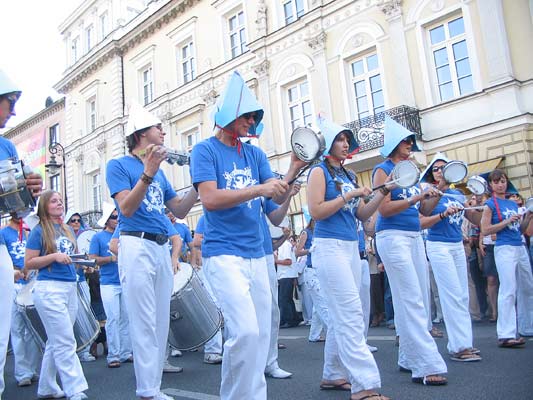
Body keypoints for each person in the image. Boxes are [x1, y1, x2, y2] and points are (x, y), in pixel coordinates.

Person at [190, 71, 306, 400]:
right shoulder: (204, 150)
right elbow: (210, 200)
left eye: (255, 116)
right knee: (244, 332)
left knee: (258, 334)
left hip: (257, 253)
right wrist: (260, 187)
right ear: (229, 114)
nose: (252, 121)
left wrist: (292, 172)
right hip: (225, 253)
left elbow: (274, 210)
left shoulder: (255, 154)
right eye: (248, 115)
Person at [106, 100, 197, 400]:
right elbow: (127, 208)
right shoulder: (118, 165)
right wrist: (147, 173)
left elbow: (180, 210)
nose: (163, 132)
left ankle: (152, 387)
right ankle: (147, 390)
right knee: (143, 319)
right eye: (158, 127)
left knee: (159, 321)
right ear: (141, 134)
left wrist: (200, 180)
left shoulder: (161, 172)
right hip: (136, 243)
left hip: (159, 246)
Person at [307, 115, 392, 400]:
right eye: (340, 139)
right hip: (328, 247)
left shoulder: (349, 175)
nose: (345, 144)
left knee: (344, 315)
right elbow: (316, 212)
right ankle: (364, 385)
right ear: (327, 144)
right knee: (351, 314)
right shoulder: (319, 172)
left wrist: (383, 194)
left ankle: (332, 374)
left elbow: (362, 214)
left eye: (347, 140)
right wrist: (350, 195)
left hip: (349, 247)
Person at [372, 116, 447, 386]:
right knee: (412, 299)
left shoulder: (412, 169)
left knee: (418, 300)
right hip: (392, 237)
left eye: (410, 142)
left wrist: (430, 199)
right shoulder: (383, 170)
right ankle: (426, 364)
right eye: (405, 142)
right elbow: (384, 209)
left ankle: (407, 356)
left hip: (414, 236)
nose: (410, 146)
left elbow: (421, 212)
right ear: (394, 144)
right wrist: (416, 198)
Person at [0, 69, 43, 399]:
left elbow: (18, 210)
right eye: (9, 103)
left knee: (2, 332)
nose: (13, 112)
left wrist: (29, 190)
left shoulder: (7, 147)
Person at [24, 190, 89, 400]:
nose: (59, 204)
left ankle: (46, 387)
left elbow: (70, 257)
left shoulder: (67, 228)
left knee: (56, 340)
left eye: (60, 201)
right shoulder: (39, 230)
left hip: (70, 286)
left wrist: (84, 263)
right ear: (44, 206)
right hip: (50, 288)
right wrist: (54, 256)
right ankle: (75, 389)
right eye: (54, 201)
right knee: (65, 341)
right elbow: (29, 263)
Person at [419, 153, 482, 362]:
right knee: (452, 294)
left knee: (462, 294)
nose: (440, 171)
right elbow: (423, 216)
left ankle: (465, 342)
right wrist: (441, 191)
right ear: (431, 173)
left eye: (444, 168)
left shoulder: (458, 195)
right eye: (436, 169)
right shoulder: (427, 191)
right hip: (438, 245)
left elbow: (475, 219)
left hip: (456, 245)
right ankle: (458, 346)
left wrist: (478, 200)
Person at [480, 169, 533, 347]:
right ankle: (506, 334)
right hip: (504, 247)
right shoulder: (490, 204)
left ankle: (527, 326)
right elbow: (486, 230)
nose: (500, 184)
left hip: (519, 246)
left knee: (527, 286)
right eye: (496, 182)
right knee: (508, 289)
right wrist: (506, 222)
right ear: (491, 185)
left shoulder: (511, 203)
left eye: (502, 181)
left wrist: (527, 217)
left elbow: (520, 229)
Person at [89, 202, 132, 368]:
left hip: (125, 280)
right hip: (108, 282)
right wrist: (109, 259)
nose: (117, 219)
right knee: (113, 318)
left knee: (126, 318)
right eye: (114, 217)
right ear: (107, 220)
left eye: (118, 216)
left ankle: (126, 352)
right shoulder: (97, 237)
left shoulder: (124, 232)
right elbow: (92, 259)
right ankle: (113, 355)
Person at [1, 215, 40, 387]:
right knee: (17, 330)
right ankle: (22, 372)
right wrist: (14, 271)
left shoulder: (29, 232)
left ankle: (31, 369)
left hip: (29, 284)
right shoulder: (4, 233)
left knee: (32, 330)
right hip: (14, 284)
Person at [295, 217, 327, 342]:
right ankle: (333, 333)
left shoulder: (322, 232)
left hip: (321, 269)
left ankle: (314, 334)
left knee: (318, 306)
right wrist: (310, 250)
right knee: (323, 304)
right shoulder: (306, 232)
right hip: (311, 270)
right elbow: (297, 252)